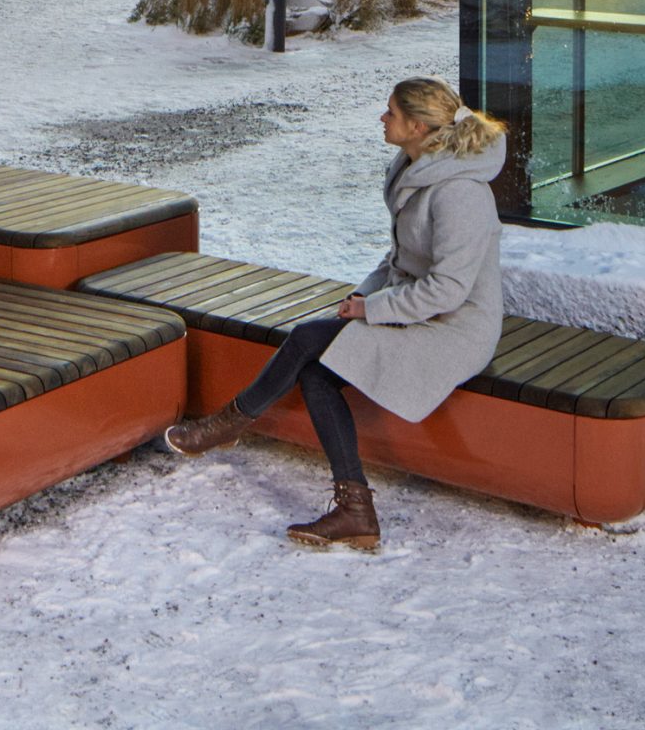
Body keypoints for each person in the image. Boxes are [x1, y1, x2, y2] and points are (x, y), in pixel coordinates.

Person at [165, 77, 507, 551]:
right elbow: (399, 261)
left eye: (390, 113)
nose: (382, 119)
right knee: (318, 372)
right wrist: (360, 302)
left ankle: (231, 423)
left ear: (418, 125)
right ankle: (356, 512)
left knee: (308, 338)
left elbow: (448, 289)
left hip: (456, 327)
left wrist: (372, 309)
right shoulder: (416, 169)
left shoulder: (460, 194)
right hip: (420, 311)